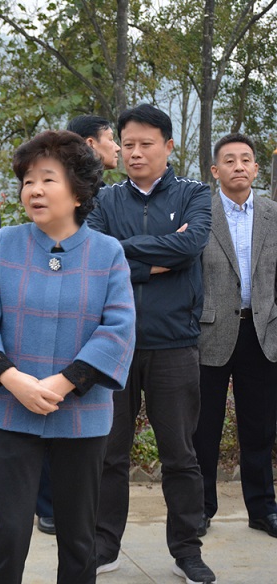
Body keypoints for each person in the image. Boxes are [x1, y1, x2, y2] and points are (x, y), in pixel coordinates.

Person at [0, 129, 136, 584]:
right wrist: (12, 379)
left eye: (47, 179)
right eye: (28, 181)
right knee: (8, 529)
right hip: (11, 408)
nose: (34, 190)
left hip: (81, 412)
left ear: (78, 191)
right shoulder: (5, 244)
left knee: (79, 535)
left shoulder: (107, 252)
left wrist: (64, 381)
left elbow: (118, 329)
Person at [87, 104, 217, 584]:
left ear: (168, 145)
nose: (135, 152)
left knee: (180, 455)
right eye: (128, 145)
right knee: (108, 453)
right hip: (112, 343)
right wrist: (159, 258)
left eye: (146, 143)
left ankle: (187, 550)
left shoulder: (194, 194)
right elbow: (94, 252)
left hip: (174, 343)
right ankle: (104, 545)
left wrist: (127, 253)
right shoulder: (104, 200)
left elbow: (191, 245)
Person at [35, 114, 123, 537]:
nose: (119, 148)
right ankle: (47, 505)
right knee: (42, 414)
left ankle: (71, 515)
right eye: (112, 139)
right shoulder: (13, 240)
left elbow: (117, 257)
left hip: (88, 346)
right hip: (39, 344)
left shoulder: (112, 203)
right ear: (90, 144)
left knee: (81, 434)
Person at [193, 133, 277, 539]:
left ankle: (262, 509)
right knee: (203, 429)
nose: (238, 166)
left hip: (262, 332)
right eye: (229, 160)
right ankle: (201, 508)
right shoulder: (201, 214)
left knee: (259, 429)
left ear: (256, 168)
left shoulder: (273, 214)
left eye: (246, 159)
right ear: (215, 170)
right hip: (211, 332)